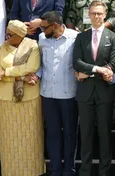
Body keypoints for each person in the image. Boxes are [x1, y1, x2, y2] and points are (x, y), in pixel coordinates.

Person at [73, 0, 115, 176]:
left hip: (104, 93)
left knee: (105, 136)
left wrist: (89, 73)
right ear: (88, 15)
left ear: (105, 15)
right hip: (85, 93)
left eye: (100, 13)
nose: (96, 16)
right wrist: (97, 69)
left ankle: (104, 172)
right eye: (93, 13)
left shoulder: (113, 37)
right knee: (85, 135)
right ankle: (84, 171)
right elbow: (76, 62)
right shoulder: (81, 37)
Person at [0, 19, 44, 175]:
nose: (7, 37)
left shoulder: (32, 46)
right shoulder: (3, 47)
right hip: (6, 100)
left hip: (29, 100)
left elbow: (31, 67)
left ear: (20, 35)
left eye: (10, 34)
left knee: (30, 139)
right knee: (9, 141)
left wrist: (7, 73)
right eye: (6, 33)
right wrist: (21, 77)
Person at [38, 11, 79, 176]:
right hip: (48, 93)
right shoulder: (42, 39)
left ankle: (69, 170)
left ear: (54, 26)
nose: (42, 31)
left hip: (68, 93)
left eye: (44, 27)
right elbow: (39, 63)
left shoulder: (75, 38)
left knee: (70, 134)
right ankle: (54, 170)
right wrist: (37, 75)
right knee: (52, 133)